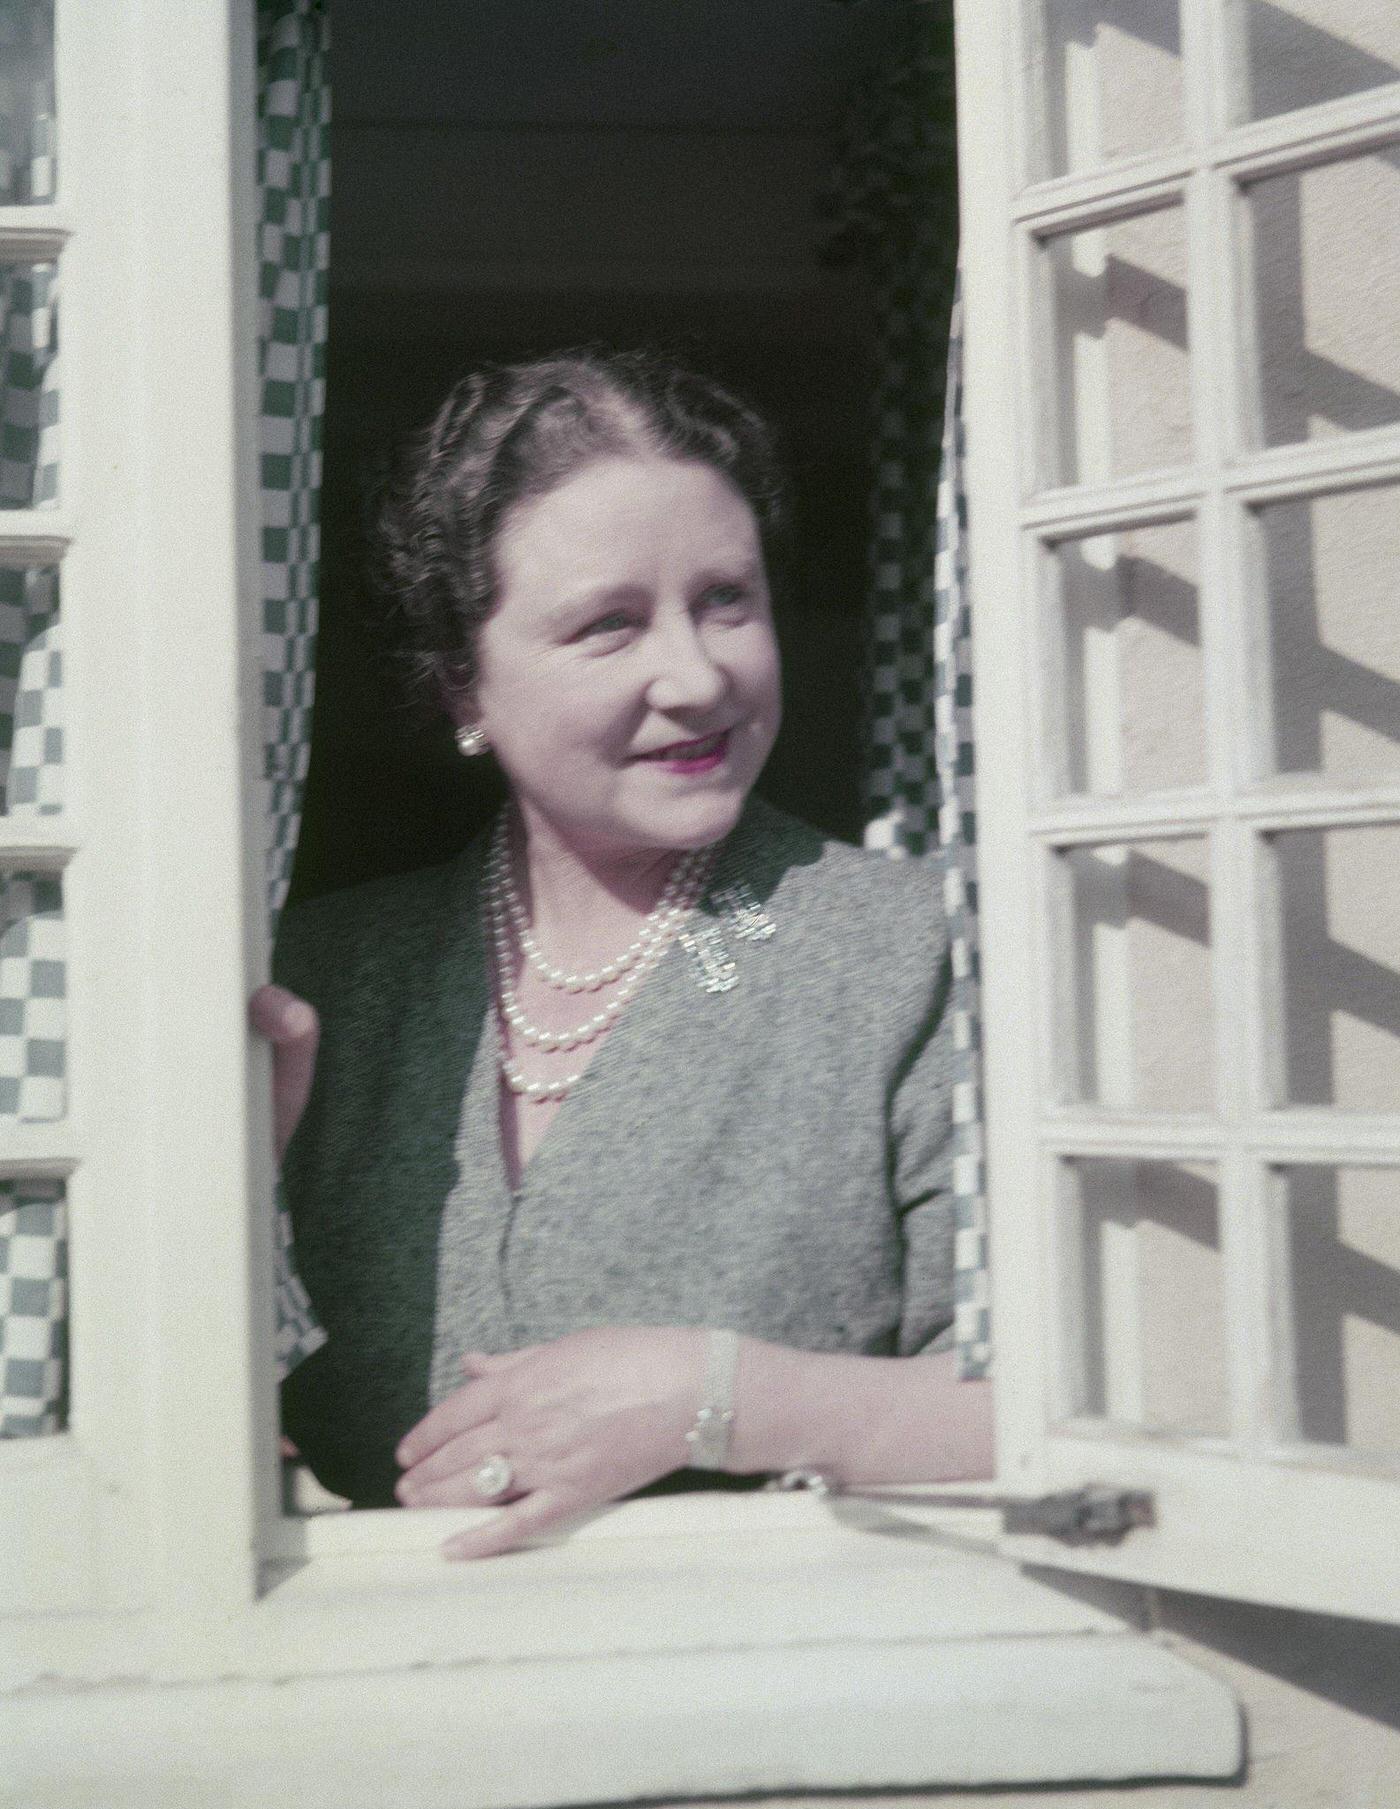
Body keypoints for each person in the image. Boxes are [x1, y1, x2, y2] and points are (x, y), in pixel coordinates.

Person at [250, 349, 993, 1560]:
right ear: (459, 690)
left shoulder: (907, 956)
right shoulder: (323, 977)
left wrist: (709, 1398)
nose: (695, 677)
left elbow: (1062, 1410)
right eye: (608, 625)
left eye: (726, 601)